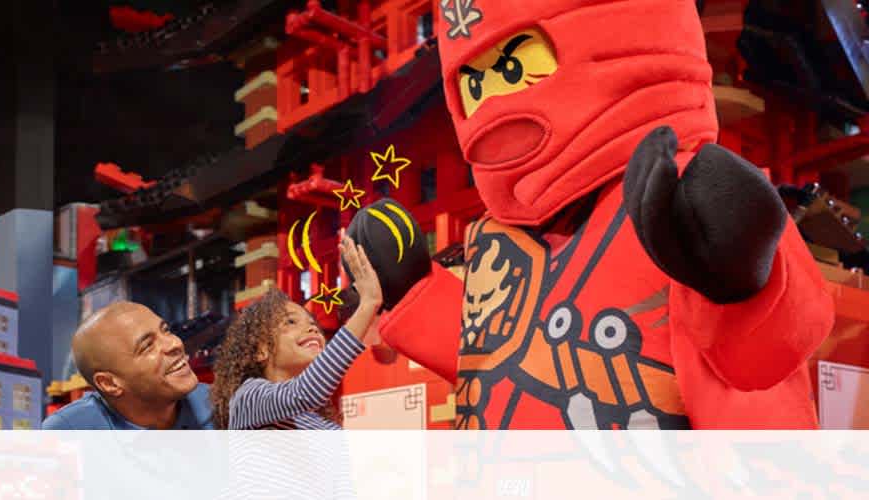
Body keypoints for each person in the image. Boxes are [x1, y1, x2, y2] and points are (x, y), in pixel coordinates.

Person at [346, 0, 833, 429]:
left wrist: (742, 284)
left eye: (513, 70)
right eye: (473, 87)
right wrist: (416, 294)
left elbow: (767, 357)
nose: (489, 107)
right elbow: (500, 361)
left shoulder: (672, 194)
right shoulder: (497, 237)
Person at [210, 235, 381, 430]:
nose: (312, 328)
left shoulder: (320, 422)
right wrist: (368, 303)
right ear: (261, 351)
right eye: (290, 322)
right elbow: (305, 392)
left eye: (312, 323)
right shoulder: (247, 398)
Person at [43, 301, 214, 430]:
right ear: (109, 383)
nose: (174, 344)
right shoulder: (69, 433)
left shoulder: (221, 405)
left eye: (166, 330)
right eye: (147, 346)